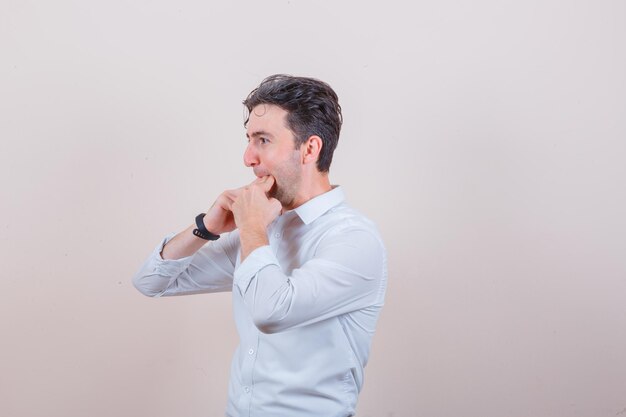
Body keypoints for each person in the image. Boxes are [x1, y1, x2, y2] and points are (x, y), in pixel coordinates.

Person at [132, 74, 387, 417]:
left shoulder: (353, 239)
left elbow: (272, 312)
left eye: (263, 140)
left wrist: (251, 226)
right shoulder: (266, 231)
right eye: (249, 139)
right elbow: (151, 281)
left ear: (310, 149)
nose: (248, 157)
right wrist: (205, 228)